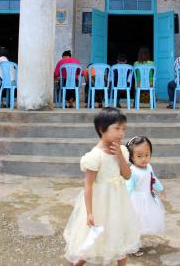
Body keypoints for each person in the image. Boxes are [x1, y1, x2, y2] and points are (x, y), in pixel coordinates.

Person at [63, 108, 140, 265]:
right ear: (101, 129)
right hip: (100, 204)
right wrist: (90, 213)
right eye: (117, 128)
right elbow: (88, 185)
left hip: (118, 202)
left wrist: (119, 156)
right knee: (91, 239)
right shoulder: (95, 156)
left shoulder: (123, 151)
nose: (121, 133)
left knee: (119, 237)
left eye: (123, 129)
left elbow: (127, 175)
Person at [126, 136, 165, 256]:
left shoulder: (149, 167)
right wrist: (124, 201)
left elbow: (153, 179)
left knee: (142, 223)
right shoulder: (132, 172)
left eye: (147, 155)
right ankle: (132, 246)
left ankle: (134, 243)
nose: (144, 159)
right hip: (135, 201)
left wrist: (161, 189)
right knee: (134, 224)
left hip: (147, 199)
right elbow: (128, 188)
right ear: (131, 157)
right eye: (139, 156)